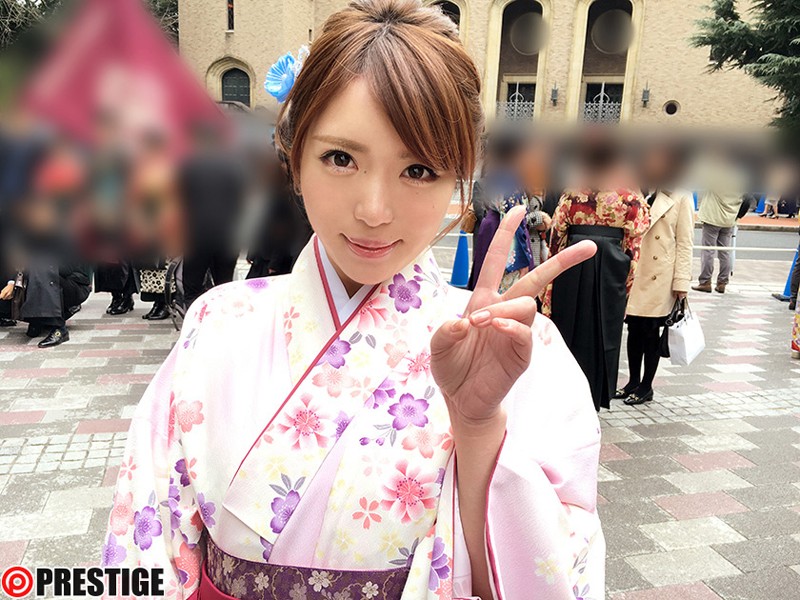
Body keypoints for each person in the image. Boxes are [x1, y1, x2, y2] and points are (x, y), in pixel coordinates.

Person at [101, 2, 605, 598]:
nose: (374, 210)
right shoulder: (218, 323)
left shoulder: (520, 351)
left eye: (418, 170)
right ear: (294, 157)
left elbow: (552, 576)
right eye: (340, 158)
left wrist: (478, 428)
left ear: (460, 173)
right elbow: (145, 542)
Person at [543, 129, 650, 411]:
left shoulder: (573, 192)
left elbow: (555, 238)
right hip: (612, 271)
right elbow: (634, 246)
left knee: (567, 331)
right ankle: (594, 397)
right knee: (605, 336)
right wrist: (625, 287)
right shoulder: (630, 197)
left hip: (571, 268)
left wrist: (549, 287)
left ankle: (562, 394)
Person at [616, 141, 694, 405]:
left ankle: (646, 386)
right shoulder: (636, 190)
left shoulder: (680, 195)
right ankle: (632, 381)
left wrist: (681, 282)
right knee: (633, 329)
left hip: (661, 276)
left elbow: (685, 243)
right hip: (636, 271)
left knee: (650, 332)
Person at [468, 130, 534, 293]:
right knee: (503, 288)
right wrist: (522, 261)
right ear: (516, 154)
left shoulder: (492, 175)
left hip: (490, 230)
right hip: (507, 233)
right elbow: (514, 223)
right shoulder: (510, 179)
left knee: (485, 280)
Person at [691, 152, 748, 294]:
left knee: (708, 250)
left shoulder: (718, 176)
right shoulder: (742, 178)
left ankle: (705, 281)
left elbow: (700, 176)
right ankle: (722, 282)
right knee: (725, 251)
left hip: (712, 217)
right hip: (730, 219)